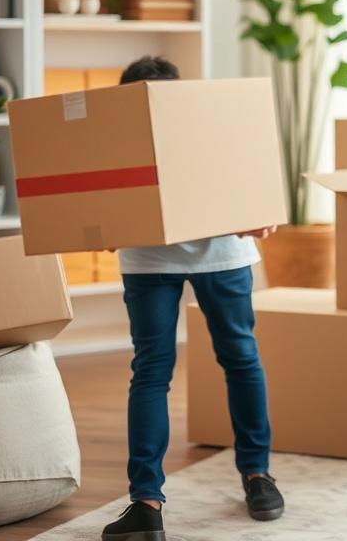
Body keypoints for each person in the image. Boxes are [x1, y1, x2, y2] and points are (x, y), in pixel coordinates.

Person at [101, 56, 284, 541]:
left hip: (211, 252)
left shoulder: (208, 129)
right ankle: (247, 481)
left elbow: (254, 178)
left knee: (166, 369)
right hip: (157, 258)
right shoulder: (120, 141)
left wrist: (261, 211)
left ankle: (160, 498)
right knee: (228, 360)